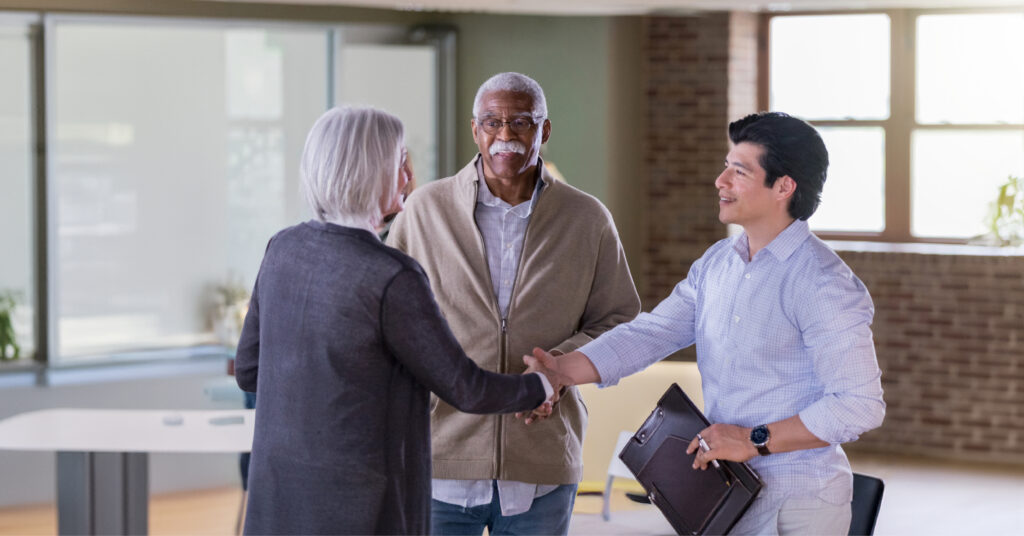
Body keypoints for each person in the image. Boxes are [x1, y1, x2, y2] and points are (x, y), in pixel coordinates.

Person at [525, 112, 886, 535]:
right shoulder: (718, 263)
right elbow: (652, 333)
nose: (720, 181)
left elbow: (859, 404)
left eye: (739, 171)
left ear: (783, 187)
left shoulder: (823, 283)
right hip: (724, 497)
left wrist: (754, 439)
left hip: (798, 504)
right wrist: (561, 370)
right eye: (725, 166)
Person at [234, 106, 562, 535]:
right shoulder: (391, 276)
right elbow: (465, 387)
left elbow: (249, 371)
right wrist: (543, 384)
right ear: (370, 171)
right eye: (401, 160)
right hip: (361, 506)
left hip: (278, 496)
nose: (410, 174)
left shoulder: (282, 248)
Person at [386, 72, 640, 535]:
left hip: (541, 458)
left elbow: (619, 321)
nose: (505, 136)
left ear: (543, 130)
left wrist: (558, 371)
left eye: (521, 122)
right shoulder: (424, 210)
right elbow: (389, 319)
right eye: (491, 122)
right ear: (475, 130)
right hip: (439, 455)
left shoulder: (588, 219)